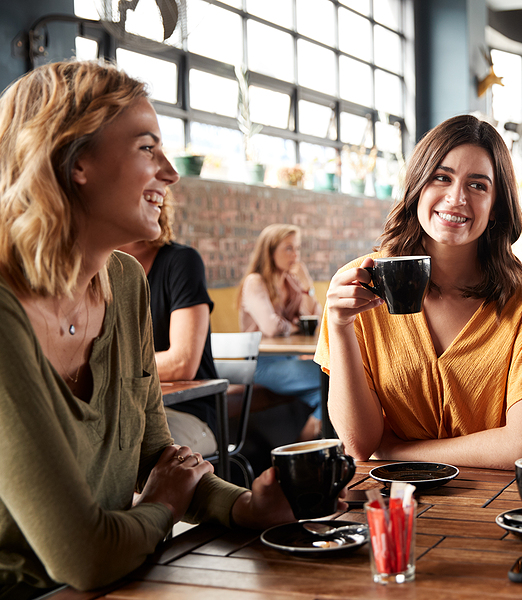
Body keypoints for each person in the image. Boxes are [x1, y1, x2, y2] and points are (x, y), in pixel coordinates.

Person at [0, 60, 301, 599]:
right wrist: (161, 508)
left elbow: (157, 455)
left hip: (121, 580)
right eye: (147, 147)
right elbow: (85, 555)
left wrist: (244, 505)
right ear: (75, 161)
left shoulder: (125, 280)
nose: (171, 171)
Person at [315, 114, 522, 470]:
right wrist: (339, 327)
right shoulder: (360, 283)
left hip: (492, 507)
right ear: (417, 188)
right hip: (393, 502)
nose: (456, 197)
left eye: (478, 185)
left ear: (495, 207)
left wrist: (395, 452)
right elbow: (359, 443)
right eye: (441, 178)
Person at [118, 198, 218, 457]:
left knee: (125, 458)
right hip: (121, 409)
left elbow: (181, 363)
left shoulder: (181, 261)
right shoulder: (91, 268)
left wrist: (104, 373)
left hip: (186, 411)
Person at [238, 224, 322, 441]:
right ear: (270, 251)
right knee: (332, 373)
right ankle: (302, 444)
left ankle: (306, 442)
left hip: (289, 359)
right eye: (288, 249)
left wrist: (307, 286)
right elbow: (271, 327)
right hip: (260, 363)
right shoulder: (255, 282)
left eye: (298, 249)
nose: (295, 255)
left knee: (333, 395)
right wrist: (293, 326)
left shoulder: (290, 282)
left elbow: (314, 319)